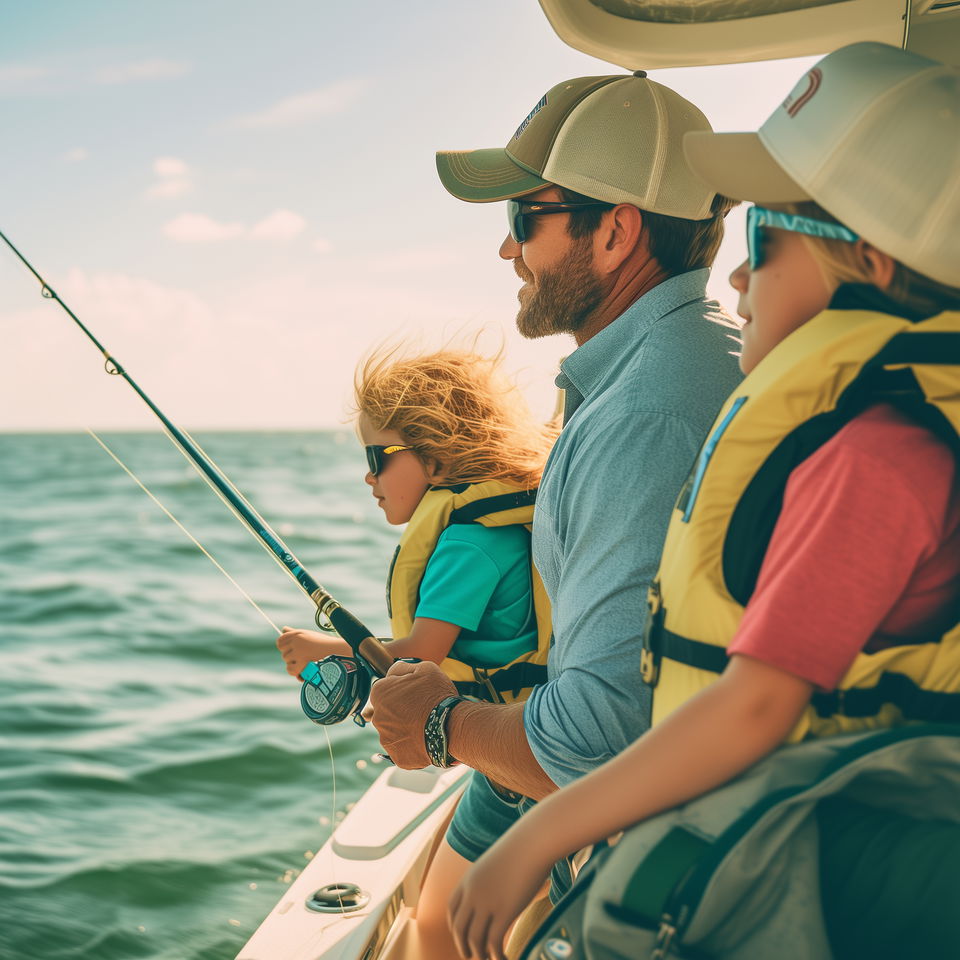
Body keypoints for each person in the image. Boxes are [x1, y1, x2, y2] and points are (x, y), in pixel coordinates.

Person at [446, 42, 960, 960]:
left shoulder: (873, 459)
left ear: (873, 266)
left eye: (764, 242)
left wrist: (535, 836)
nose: (732, 279)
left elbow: (753, 709)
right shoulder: (858, 428)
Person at [366, 69, 743, 943]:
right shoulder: (685, 362)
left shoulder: (644, 416)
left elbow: (595, 742)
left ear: (614, 232)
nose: (507, 253)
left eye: (523, 221)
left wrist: (440, 723)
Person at [276, 343, 555, 957]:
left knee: (437, 922)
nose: (369, 477)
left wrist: (332, 650)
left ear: (432, 458)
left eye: (378, 458)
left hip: (514, 772)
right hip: (523, 742)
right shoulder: (492, 527)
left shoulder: (465, 546)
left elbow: (420, 657)